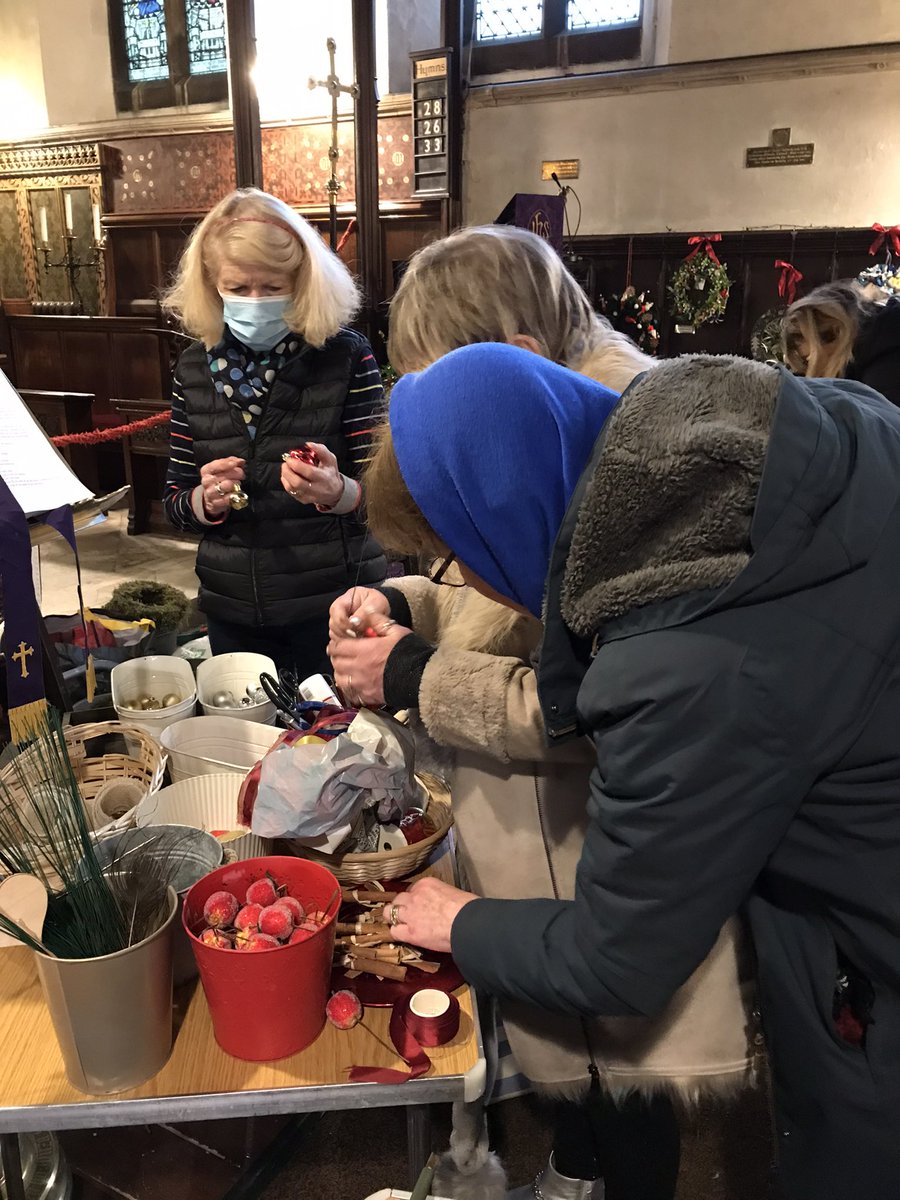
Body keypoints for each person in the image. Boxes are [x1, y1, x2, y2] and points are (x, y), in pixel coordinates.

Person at [355, 340, 900, 1200]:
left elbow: (619, 957)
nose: (461, 580)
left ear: (500, 521)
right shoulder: (708, 425)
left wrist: (459, 920)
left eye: (454, 557)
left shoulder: (677, 659)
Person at [329, 228, 755, 1200]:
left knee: (633, 1071)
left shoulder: (636, 473)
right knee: (575, 1064)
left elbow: (589, 703)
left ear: (510, 358)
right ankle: (573, 1167)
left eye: (435, 376)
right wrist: (405, 605)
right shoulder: (544, 430)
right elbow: (487, 599)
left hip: (611, 845)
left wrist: (414, 679)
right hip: (539, 837)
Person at [161, 187, 385, 673]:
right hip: (233, 607)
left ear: (302, 281)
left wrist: (339, 491)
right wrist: (205, 500)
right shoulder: (193, 368)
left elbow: (390, 500)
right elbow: (175, 503)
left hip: (333, 603)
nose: (256, 302)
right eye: (238, 289)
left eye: (272, 286)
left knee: (338, 739)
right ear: (210, 284)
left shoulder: (346, 356)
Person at [783, 279, 900, 405]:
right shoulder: (876, 346)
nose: (812, 367)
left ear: (837, 332)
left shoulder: (884, 374)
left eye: (810, 358)